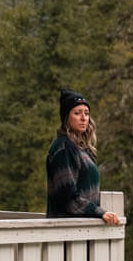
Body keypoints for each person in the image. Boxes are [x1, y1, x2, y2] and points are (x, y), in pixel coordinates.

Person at [46, 89, 120, 225]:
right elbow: (68, 199)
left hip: (82, 230)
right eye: (77, 113)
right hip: (66, 232)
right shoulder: (63, 148)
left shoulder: (81, 149)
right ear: (66, 117)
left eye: (86, 113)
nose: (83, 118)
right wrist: (100, 212)